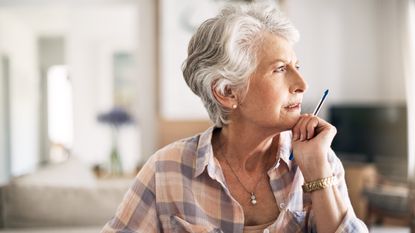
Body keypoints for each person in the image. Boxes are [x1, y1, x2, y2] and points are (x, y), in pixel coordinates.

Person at [102, 3, 368, 233]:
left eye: (296, 67)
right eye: (280, 69)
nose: (302, 84)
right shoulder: (165, 170)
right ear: (227, 92)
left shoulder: (319, 159)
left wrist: (318, 172)